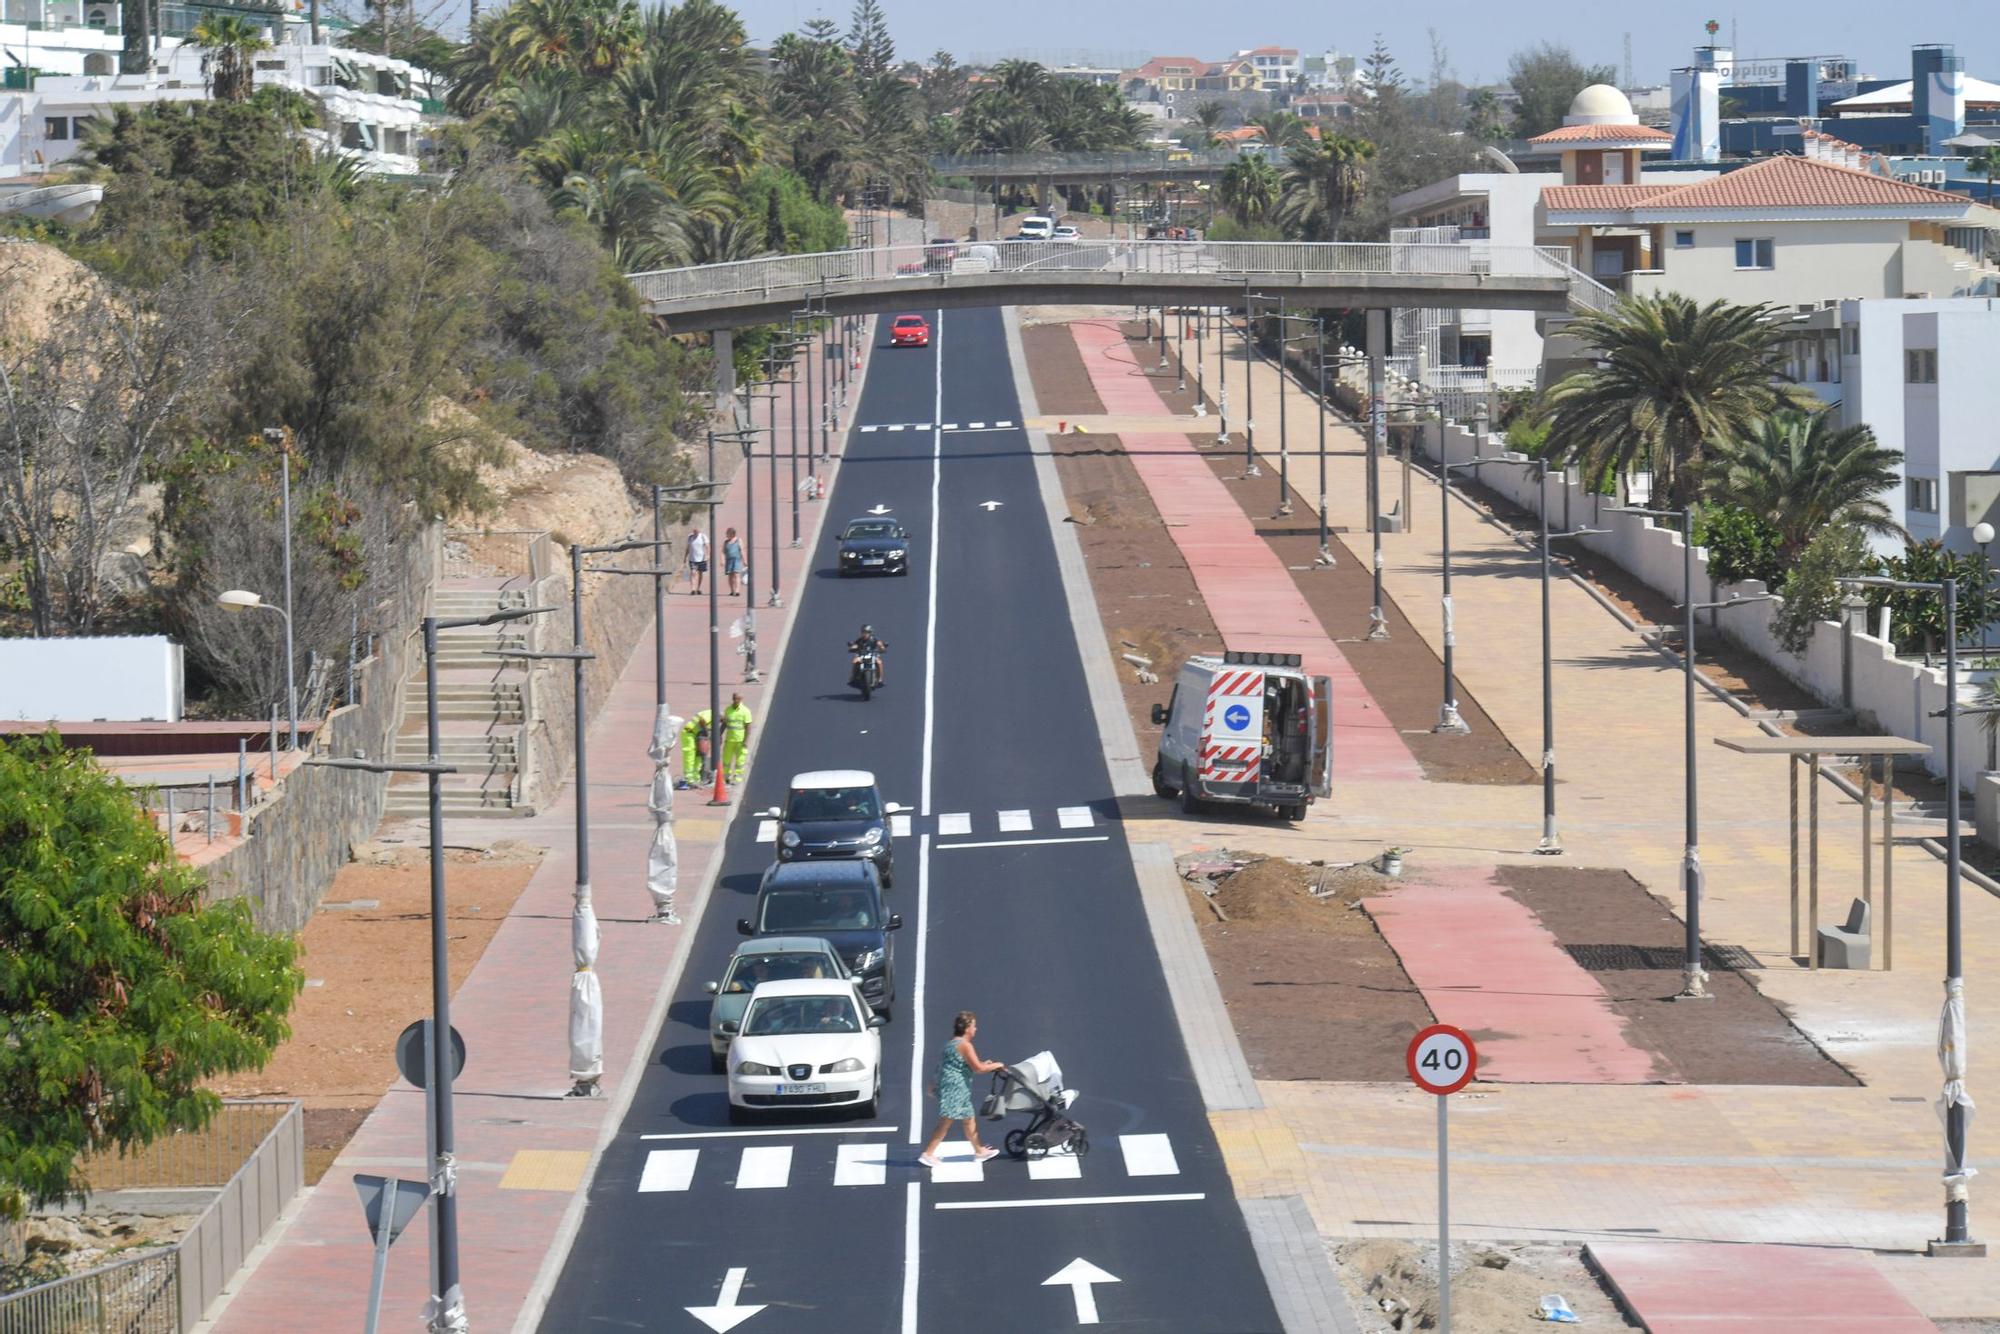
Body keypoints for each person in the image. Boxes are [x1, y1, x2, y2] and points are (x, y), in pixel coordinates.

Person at [919, 1012, 1004, 1168]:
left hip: (955, 1087)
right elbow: (978, 1068)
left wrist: (932, 1084)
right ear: (967, 1028)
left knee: (968, 1119)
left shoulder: (951, 1043)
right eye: (973, 1026)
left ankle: (979, 1151)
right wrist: (996, 1065)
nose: (975, 1029)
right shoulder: (965, 1045)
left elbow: (955, 1065)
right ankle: (928, 1154)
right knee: (945, 1121)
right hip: (955, 1088)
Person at [722, 692, 753, 783]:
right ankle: (726, 777)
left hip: (740, 740)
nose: (736, 701)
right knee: (726, 760)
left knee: (740, 760)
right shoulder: (728, 709)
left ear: (741, 700)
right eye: (735, 699)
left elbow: (748, 726)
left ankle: (737, 778)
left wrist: (746, 740)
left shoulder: (745, 711)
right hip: (729, 739)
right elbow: (724, 723)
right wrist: (719, 734)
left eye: (738, 699)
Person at [679, 706, 712, 787]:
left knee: (699, 755)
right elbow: (702, 721)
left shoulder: (714, 716)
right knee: (690, 754)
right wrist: (706, 732)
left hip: (696, 734)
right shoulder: (711, 714)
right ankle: (689, 779)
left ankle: (696, 778)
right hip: (689, 733)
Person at [685, 528, 709, 595]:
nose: (695, 532)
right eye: (694, 531)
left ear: (699, 531)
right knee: (693, 572)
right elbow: (688, 548)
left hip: (702, 559)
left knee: (700, 573)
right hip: (692, 559)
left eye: (697, 531)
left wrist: (708, 555)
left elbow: (707, 546)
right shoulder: (690, 537)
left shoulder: (703, 537)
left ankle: (698, 588)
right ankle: (693, 589)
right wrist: (685, 557)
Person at [722, 527, 744, 596]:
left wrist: (744, 560)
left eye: (727, 534)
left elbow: (742, 550)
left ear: (732, 534)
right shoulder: (726, 542)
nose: (726, 535)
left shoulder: (738, 540)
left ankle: (737, 591)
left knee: (736, 574)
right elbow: (723, 551)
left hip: (737, 560)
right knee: (730, 575)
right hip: (729, 560)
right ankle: (732, 590)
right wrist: (722, 560)